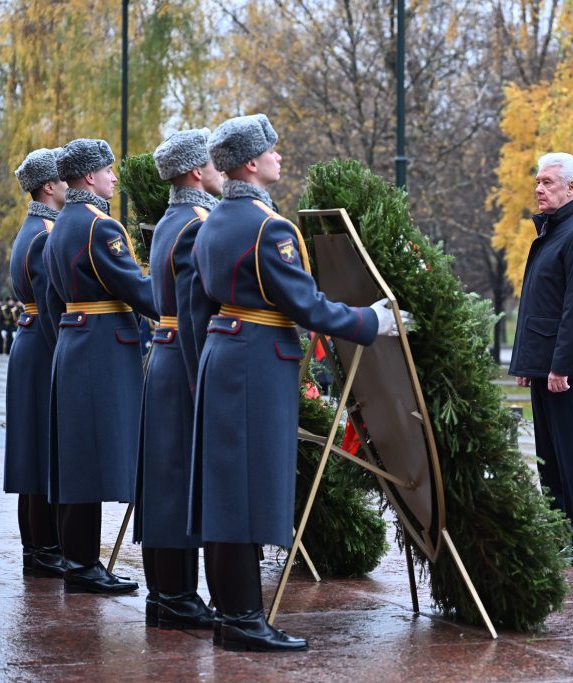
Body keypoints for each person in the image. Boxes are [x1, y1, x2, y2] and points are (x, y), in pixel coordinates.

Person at [187, 114, 407, 652]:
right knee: (244, 492)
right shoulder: (267, 226)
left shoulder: (212, 219)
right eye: (271, 151)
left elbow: (196, 308)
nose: (279, 157)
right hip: (255, 364)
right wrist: (371, 322)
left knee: (226, 493)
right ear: (250, 164)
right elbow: (305, 305)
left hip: (225, 357)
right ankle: (242, 619)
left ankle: (229, 613)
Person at [43, 138, 157, 594]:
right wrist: (179, 302)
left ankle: (78, 560)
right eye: (108, 170)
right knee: (89, 459)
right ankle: (83, 565)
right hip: (102, 348)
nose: (114, 177)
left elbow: (53, 300)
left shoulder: (61, 223)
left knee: (77, 458)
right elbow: (135, 287)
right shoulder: (99, 227)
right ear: (89, 177)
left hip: (76, 340)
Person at [133, 128, 223, 631]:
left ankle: (163, 593)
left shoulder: (173, 218)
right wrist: (200, 378)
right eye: (212, 162)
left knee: (165, 479)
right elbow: (193, 313)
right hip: (183, 357)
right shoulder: (195, 222)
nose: (218, 169)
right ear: (195, 171)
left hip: (163, 356)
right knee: (176, 482)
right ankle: (179, 596)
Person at [508, 152, 573, 567]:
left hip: (567, 369)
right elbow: (537, 305)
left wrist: (559, 366)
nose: (539, 189)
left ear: (571, 188)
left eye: (548, 182)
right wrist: (531, 365)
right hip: (547, 367)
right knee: (549, 453)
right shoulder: (551, 233)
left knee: (572, 453)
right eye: (538, 182)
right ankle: (558, 529)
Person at [4, 147, 68, 579]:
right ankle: (46, 549)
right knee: (44, 455)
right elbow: (51, 308)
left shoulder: (33, 227)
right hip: (43, 348)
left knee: (33, 455)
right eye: (64, 179)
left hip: (28, 345)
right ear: (49, 186)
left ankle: (38, 549)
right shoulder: (46, 232)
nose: (70, 185)